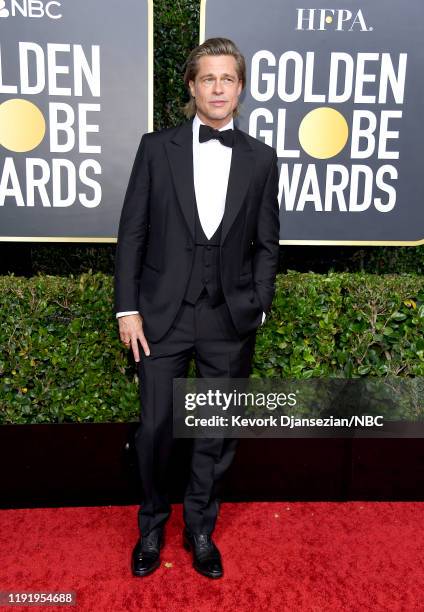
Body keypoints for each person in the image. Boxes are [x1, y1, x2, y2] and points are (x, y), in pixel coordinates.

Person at [114, 37, 280, 579]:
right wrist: (127, 310)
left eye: (227, 79)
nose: (217, 88)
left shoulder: (260, 158)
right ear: (191, 86)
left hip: (227, 319)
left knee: (214, 432)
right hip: (161, 316)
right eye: (207, 78)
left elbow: (267, 243)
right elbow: (132, 235)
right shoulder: (156, 149)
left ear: (240, 89)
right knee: (157, 429)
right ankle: (152, 525)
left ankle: (201, 528)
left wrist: (256, 305)